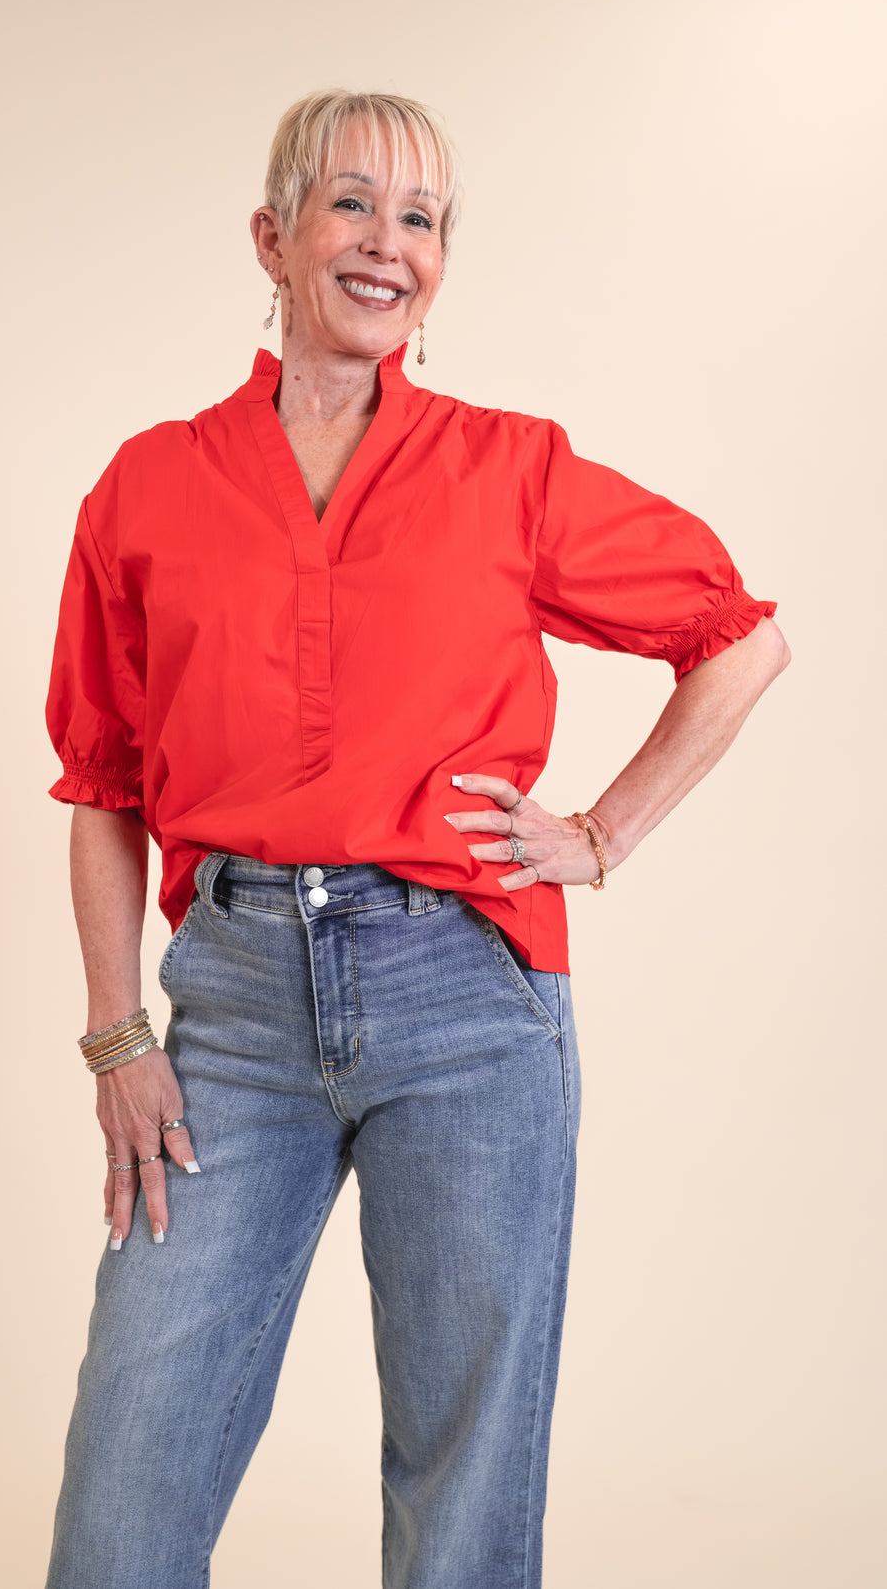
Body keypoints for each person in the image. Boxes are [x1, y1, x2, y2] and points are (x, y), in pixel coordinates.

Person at [42, 89, 789, 1589]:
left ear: (444, 260)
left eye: (423, 217)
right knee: (131, 1473)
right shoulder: (147, 487)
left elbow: (739, 638)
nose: (389, 244)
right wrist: (119, 1031)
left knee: (463, 1481)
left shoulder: (509, 470)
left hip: (469, 996)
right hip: (236, 1013)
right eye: (352, 205)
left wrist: (601, 831)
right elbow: (105, 780)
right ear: (274, 236)